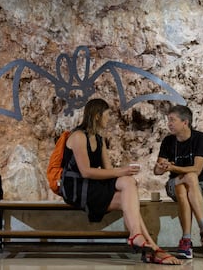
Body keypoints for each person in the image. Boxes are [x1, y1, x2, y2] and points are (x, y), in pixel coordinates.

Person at [60, 98, 181, 265]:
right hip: (77, 188)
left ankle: (141, 241)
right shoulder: (79, 136)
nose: (108, 119)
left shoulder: (99, 139)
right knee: (130, 200)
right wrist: (121, 171)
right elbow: (85, 172)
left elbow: (109, 171)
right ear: (96, 116)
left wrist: (126, 172)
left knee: (128, 188)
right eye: (107, 115)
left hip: (93, 186)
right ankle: (153, 248)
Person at [154, 105, 203, 259]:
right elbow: (157, 171)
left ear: (185, 122)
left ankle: (186, 239)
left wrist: (173, 167)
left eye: (172, 120)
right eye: (168, 120)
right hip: (173, 185)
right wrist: (162, 167)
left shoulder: (201, 138)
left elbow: (197, 170)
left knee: (189, 181)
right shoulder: (168, 141)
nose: (169, 124)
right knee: (184, 182)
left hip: (202, 187)